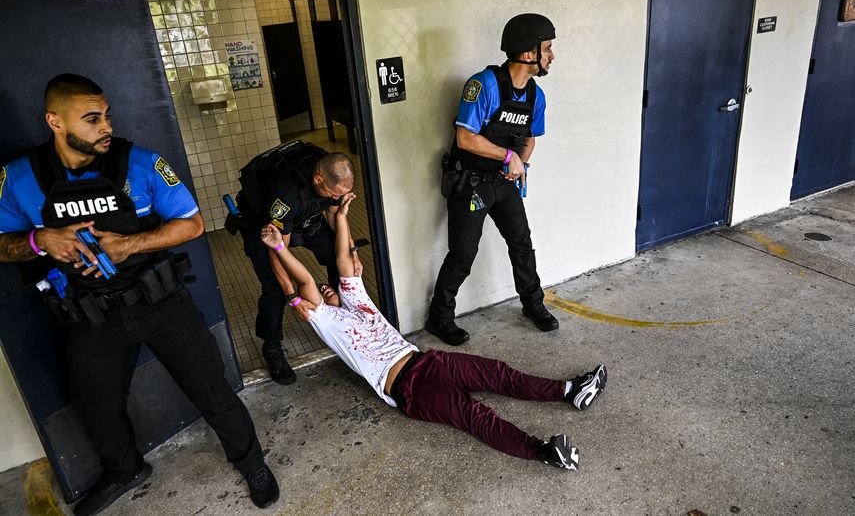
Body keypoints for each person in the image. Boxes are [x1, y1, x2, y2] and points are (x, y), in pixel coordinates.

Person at [0, 74, 278, 515]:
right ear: (54, 120)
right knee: (97, 407)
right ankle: (126, 470)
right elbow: (2, 243)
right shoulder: (18, 178)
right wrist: (41, 241)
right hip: (91, 317)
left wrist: (128, 244)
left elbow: (191, 223)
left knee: (212, 389)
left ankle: (252, 462)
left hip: (160, 303)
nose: (106, 127)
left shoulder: (142, 164)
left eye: (107, 116)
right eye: (92, 120)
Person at [260, 193, 607, 469]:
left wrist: (341, 219)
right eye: (321, 293)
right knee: (475, 416)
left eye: (327, 287)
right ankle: (542, 452)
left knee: (498, 374)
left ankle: (570, 390)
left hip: (427, 361)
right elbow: (302, 279)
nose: (324, 290)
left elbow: (343, 262)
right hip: (408, 387)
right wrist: (278, 247)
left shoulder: (357, 301)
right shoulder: (326, 321)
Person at [427, 13, 561, 345]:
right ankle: (439, 319)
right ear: (528, 53)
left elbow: (530, 138)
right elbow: (465, 138)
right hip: (470, 183)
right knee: (462, 254)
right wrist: (508, 157)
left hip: (505, 183)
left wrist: (520, 165)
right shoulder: (482, 85)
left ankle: (533, 305)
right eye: (547, 49)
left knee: (522, 244)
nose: (552, 56)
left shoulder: (535, 96)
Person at [232, 141, 358, 385]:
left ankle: (341, 319)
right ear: (318, 179)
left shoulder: (332, 175)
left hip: (304, 219)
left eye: (342, 193)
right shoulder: (286, 195)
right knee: (275, 290)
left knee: (338, 257)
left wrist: (352, 251)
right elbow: (277, 249)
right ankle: (272, 348)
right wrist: (294, 298)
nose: (338, 198)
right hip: (266, 229)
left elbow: (333, 214)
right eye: (335, 194)